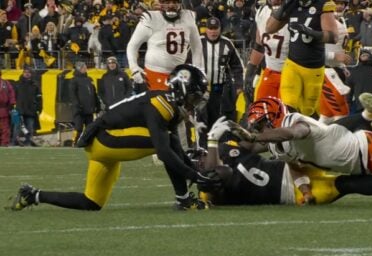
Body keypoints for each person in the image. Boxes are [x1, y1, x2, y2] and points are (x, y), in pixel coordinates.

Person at [9, 64, 217, 212]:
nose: (195, 103)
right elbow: (165, 151)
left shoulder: (165, 103)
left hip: (105, 147)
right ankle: (183, 200)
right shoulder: (160, 105)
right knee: (167, 142)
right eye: (194, 97)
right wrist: (195, 175)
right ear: (181, 91)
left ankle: (33, 195)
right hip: (105, 140)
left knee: (91, 202)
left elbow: (176, 152)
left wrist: (195, 173)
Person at [227, 96, 372, 195]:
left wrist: (257, 138)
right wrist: (222, 139)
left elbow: (294, 133)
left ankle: (367, 115)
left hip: (368, 148)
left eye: (261, 125)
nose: (258, 131)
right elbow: (292, 163)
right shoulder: (274, 143)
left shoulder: (293, 122)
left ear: (274, 118)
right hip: (357, 166)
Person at [196, 117, 372, 205]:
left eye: (199, 157)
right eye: (197, 162)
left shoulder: (227, 149)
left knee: (318, 137)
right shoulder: (209, 186)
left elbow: (255, 145)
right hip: (291, 194)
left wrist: (244, 132)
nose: (201, 161)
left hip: (291, 167)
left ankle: (364, 116)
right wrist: (212, 141)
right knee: (347, 184)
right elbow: (216, 173)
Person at [265, 0, 338, 114]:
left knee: (308, 111)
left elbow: (333, 37)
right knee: (288, 104)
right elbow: (269, 28)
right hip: (292, 63)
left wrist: (310, 32)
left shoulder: (323, 4)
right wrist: (284, 7)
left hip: (314, 68)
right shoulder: (292, 4)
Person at [126, 0, 204, 91]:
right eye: (166, 2)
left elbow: (197, 47)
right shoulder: (151, 18)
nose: (171, 5)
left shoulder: (188, 17)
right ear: (160, 3)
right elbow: (132, 46)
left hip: (180, 75)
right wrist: (134, 67)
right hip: (154, 74)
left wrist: (199, 70)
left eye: (174, 2)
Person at [197, 16, 244, 146]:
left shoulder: (227, 43)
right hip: (200, 89)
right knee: (200, 117)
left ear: (220, 29)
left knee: (217, 116)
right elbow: (186, 62)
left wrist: (239, 84)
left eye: (215, 29)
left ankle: (218, 145)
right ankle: (201, 146)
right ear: (206, 30)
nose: (213, 32)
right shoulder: (197, 42)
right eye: (210, 29)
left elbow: (237, 65)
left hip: (219, 87)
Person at [244, 0, 289, 103]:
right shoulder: (262, 11)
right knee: (261, 111)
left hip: (291, 73)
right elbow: (259, 46)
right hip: (269, 71)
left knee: (286, 113)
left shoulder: (294, 12)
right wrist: (250, 70)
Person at [318, 0, 353, 124]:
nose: (338, 6)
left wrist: (341, 65)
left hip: (336, 70)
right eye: (335, 2)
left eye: (341, 3)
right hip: (327, 72)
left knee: (326, 115)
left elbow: (339, 49)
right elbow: (310, 53)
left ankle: (319, 141)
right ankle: (344, 143)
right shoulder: (319, 23)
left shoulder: (341, 21)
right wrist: (334, 56)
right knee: (341, 113)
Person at [69, 61, 101, 145]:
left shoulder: (89, 79)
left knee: (89, 128)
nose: (85, 69)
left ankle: (88, 143)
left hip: (89, 109)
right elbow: (72, 95)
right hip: (79, 110)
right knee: (78, 127)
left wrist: (98, 105)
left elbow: (94, 93)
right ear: (79, 69)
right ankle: (74, 142)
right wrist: (77, 105)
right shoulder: (74, 80)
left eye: (85, 67)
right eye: (83, 67)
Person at [12, 67, 42, 146]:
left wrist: (39, 108)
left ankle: (28, 142)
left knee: (30, 127)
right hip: (18, 109)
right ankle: (15, 142)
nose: (27, 73)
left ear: (31, 74)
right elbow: (13, 97)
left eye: (29, 72)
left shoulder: (35, 85)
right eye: (25, 72)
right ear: (23, 73)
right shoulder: (17, 84)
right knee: (16, 126)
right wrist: (13, 107)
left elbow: (39, 98)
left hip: (31, 110)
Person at [0, 70, 15, 146]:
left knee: (5, 127)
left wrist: (12, 103)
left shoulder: (5, 83)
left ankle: (4, 142)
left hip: (3, 108)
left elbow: (11, 93)